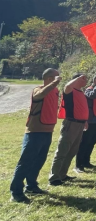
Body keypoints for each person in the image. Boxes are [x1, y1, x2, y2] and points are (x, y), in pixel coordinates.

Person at [10, 69, 61, 203]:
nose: (59, 78)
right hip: (34, 132)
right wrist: (54, 83)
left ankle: (31, 186)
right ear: (49, 78)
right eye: (56, 76)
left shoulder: (55, 91)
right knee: (25, 162)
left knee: (39, 161)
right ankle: (16, 192)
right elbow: (41, 95)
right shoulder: (38, 90)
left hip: (47, 131)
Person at [49, 73, 89, 186]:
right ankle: (54, 177)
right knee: (62, 150)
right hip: (71, 124)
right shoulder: (70, 91)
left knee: (72, 151)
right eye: (83, 79)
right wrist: (77, 78)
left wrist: (85, 121)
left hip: (80, 125)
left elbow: (81, 108)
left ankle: (62, 175)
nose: (85, 81)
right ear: (76, 80)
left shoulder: (81, 92)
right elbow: (67, 86)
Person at [75, 73, 96, 173]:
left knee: (92, 142)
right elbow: (92, 96)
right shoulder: (89, 89)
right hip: (90, 121)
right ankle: (78, 165)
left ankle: (86, 161)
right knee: (85, 142)